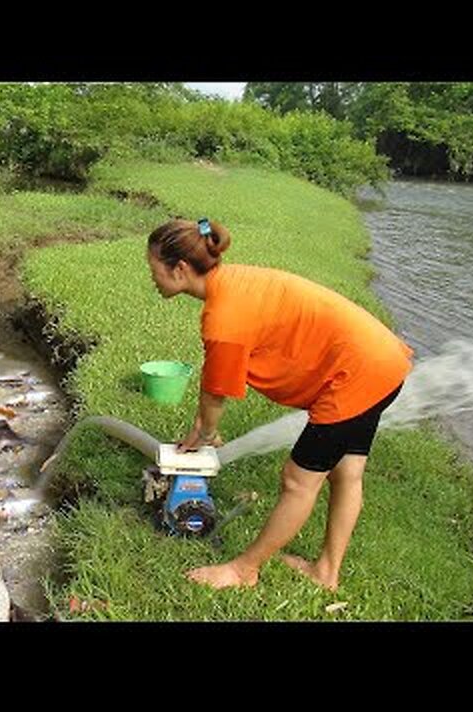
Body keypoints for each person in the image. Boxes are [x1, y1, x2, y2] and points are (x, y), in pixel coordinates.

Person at [146, 217, 413, 592]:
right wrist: (202, 428)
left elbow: (215, 392)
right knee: (346, 473)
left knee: (297, 481)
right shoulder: (232, 281)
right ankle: (326, 573)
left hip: (356, 375)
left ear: (180, 269)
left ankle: (244, 570)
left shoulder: (224, 318)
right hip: (381, 360)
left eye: (153, 269)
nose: (152, 278)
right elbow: (214, 389)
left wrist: (205, 432)